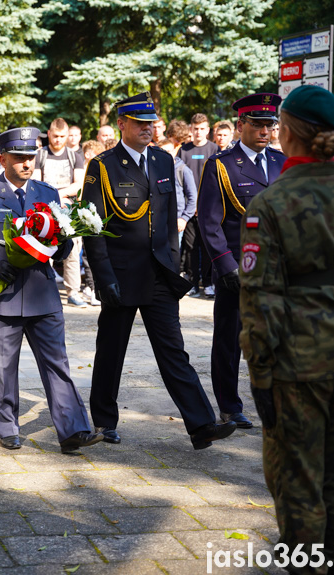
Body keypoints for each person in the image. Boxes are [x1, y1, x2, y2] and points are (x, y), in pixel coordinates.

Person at [239, 85, 334, 573]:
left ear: (288, 133)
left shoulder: (272, 203)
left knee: (298, 479)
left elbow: (260, 297)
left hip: (299, 359)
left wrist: (260, 372)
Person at [81, 92, 236, 449]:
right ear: (122, 124)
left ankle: (202, 425)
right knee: (111, 351)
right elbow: (92, 226)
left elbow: (167, 221)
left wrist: (172, 264)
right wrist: (103, 278)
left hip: (159, 276)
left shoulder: (165, 161)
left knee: (173, 351)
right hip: (120, 275)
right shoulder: (103, 165)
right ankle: (105, 422)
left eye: (151, 123)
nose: (148, 129)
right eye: (140, 123)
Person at [0, 127, 104, 452]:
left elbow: (60, 247)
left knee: (58, 364)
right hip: (1, 296)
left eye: (31, 156)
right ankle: (7, 425)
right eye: (20, 157)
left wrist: (65, 243)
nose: (27, 163)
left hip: (43, 294)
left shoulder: (48, 193)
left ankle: (73, 430)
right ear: (3, 158)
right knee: (2, 368)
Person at [198, 93, 286, 430]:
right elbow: (209, 221)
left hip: (276, 269)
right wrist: (225, 265)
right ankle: (230, 406)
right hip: (238, 269)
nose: (265, 131)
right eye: (258, 125)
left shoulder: (281, 162)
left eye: (269, 125)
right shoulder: (221, 165)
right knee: (230, 339)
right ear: (241, 125)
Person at [32, 118, 87, 307]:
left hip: (68, 209)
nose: (58, 140)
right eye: (55, 136)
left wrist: (60, 195)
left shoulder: (75, 156)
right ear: (49, 134)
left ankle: (73, 292)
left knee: (72, 252)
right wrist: (55, 197)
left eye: (62, 136)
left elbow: (78, 184)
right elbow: (36, 183)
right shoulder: (40, 155)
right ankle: (42, 291)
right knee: (44, 251)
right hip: (45, 210)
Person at [179, 114, 220, 298]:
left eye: (202, 128)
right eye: (195, 128)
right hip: (188, 209)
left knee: (207, 246)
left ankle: (209, 282)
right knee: (190, 248)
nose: (198, 132)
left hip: (208, 207)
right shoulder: (184, 150)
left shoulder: (214, 149)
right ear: (191, 129)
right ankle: (193, 283)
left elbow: (217, 179)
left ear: (208, 130)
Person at [156, 137, 196, 243]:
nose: (166, 155)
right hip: (158, 222)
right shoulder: (153, 170)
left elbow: (193, 197)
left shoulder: (182, 170)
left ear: (174, 151)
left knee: (173, 255)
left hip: (176, 222)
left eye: (169, 151)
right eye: (163, 152)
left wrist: (184, 218)